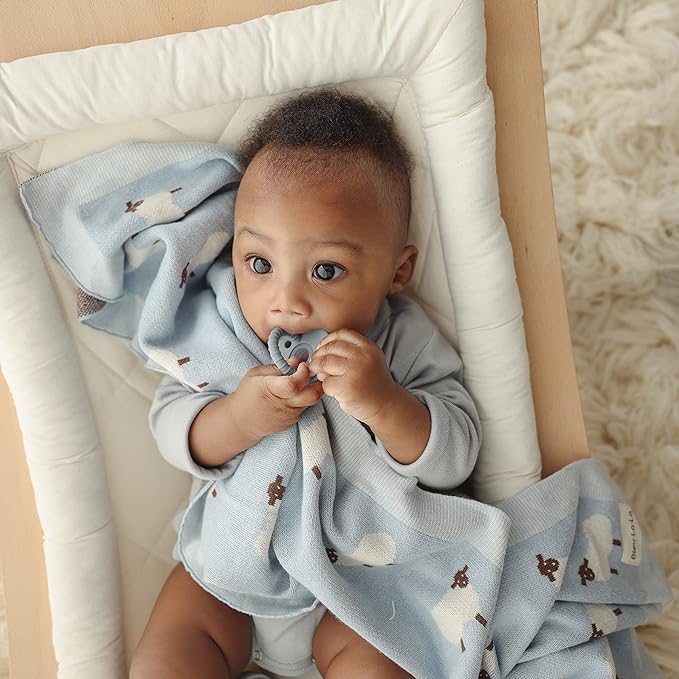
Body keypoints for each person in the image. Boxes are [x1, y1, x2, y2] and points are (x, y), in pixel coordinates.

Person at [129, 88, 481, 679]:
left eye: (325, 270)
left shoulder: (402, 341)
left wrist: (385, 403)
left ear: (397, 271)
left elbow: (455, 458)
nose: (285, 300)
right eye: (259, 264)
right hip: (231, 575)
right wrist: (238, 419)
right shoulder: (219, 329)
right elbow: (171, 427)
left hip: (363, 585)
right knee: (171, 650)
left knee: (380, 661)